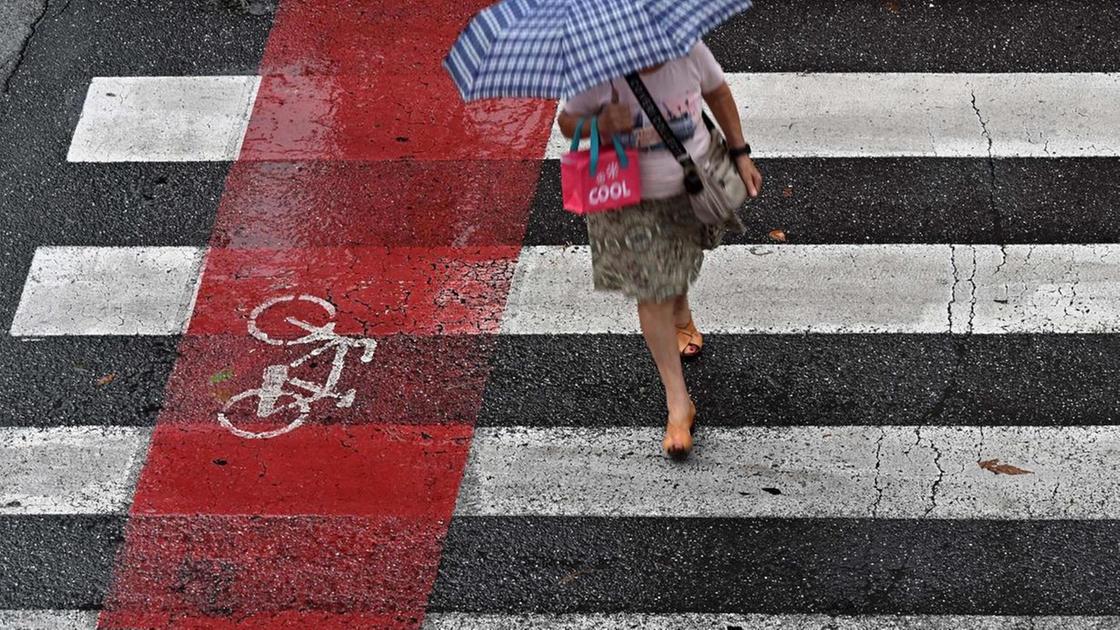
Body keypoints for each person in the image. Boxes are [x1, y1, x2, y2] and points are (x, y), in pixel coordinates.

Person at [557, 41, 762, 460]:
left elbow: (718, 91)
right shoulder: (599, 65)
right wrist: (599, 125)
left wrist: (741, 153)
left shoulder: (688, 50)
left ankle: (681, 311)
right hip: (633, 199)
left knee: (678, 267)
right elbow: (567, 122)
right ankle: (678, 404)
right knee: (652, 290)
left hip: (695, 185)